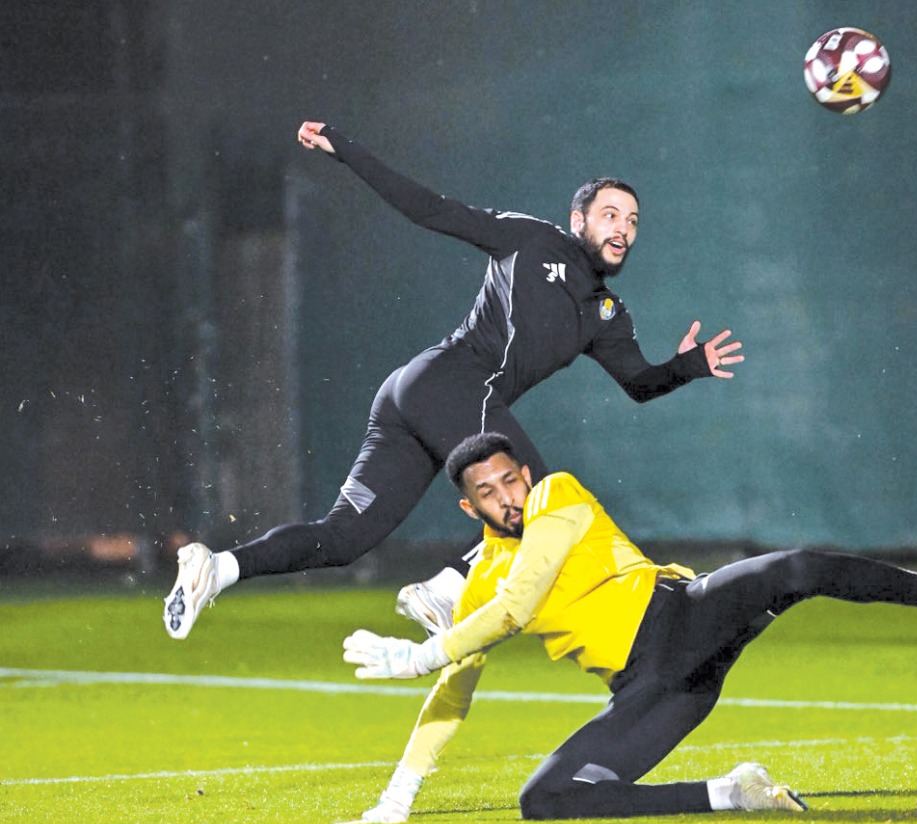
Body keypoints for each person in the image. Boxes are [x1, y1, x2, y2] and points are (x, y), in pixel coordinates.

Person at [162, 120, 744, 640]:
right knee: (543, 502)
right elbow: (432, 209)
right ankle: (446, 590)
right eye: (610, 214)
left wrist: (687, 365)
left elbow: (639, 383)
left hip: (426, 396)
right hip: (448, 384)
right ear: (579, 221)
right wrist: (347, 149)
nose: (623, 228)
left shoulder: (606, 314)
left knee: (343, 540)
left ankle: (219, 567)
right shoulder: (532, 239)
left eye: (633, 220)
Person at [338, 432, 917, 823]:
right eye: (486, 493)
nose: (506, 497)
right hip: (659, 687)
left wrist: (420, 653)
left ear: (527, 474)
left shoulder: (557, 495)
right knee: (546, 800)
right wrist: (398, 796)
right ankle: (731, 792)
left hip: (685, 614)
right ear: (470, 510)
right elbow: (456, 691)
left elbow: (522, 604)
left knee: (794, 567)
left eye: (509, 480)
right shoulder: (481, 585)